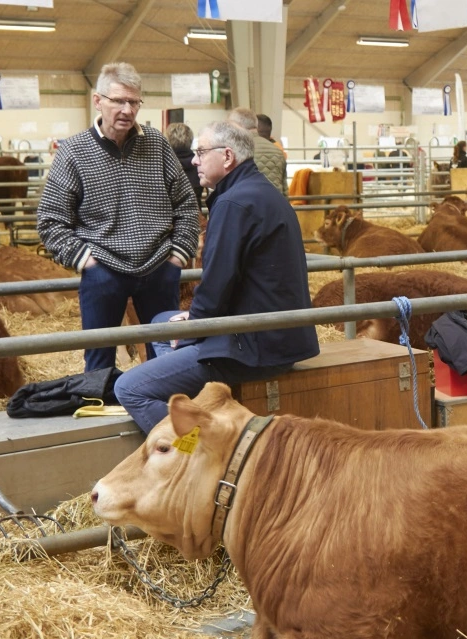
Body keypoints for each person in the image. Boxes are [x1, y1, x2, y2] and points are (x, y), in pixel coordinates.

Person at [113, 120, 319, 433]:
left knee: (129, 388)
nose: (194, 160)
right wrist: (194, 320)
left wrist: (195, 330)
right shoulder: (263, 192)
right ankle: (193, 405)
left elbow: (217, 283)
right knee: (160, 321)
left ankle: (200, 450)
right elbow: (234, 283)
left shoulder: (233, 203)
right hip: (277, 336)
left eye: (201, 152)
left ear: (226, 157)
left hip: (252, 348)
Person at [37, 62, 200, 373]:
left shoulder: (157, 144)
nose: (127, 110)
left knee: (166, 357)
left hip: (159, 268)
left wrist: (177, 256)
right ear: (99, 101)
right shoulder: (74, 152)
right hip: (103, 271)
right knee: (99, 362)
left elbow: (186, 204)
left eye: (134, 102)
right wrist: (85, 260)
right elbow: (50, 219)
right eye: (118, 101)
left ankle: (160, 414)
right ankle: (102, 412)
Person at [228, 107, 287, 195]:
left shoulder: (236, 149)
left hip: (247, 205)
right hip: (275, 205)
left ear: (238, 125)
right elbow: (284, 189)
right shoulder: (277, 151)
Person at [164, 122, 203, 211]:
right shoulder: (199, 164)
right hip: (196, 216)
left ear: (167, 140)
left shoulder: (163, 165)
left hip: (168, 218)